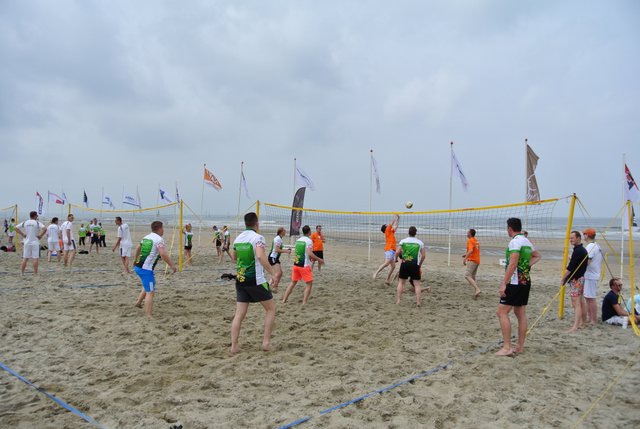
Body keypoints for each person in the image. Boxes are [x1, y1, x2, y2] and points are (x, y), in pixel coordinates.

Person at [230, 212, 276, 355]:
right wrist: (273, 273)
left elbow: (234, 257)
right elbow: (260, 256)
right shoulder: (258, 238)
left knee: (239, 315)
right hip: (256, 280)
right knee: (271, 309)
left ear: (246, 224)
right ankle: (266, 343)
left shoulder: (238, 238)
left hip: (241, 280)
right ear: (257, 224)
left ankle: (234, 346)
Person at [495, 217, 541, 356]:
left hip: (515, 282)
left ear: (509, 228)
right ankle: (520, 346)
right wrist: (525, 267)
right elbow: (537, 256)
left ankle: (507, 347)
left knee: (501, 312)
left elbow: (513, 263)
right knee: (520, 313)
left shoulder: (515, 242)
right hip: (525, 281)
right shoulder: (526, 241)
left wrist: (504, 283)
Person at [133, 221, 177, 318]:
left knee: (150, 284)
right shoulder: (159, 239)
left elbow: (138, 248)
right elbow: (163, 254)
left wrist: (135, 259)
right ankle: (148, 315)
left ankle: (138, 303)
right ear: (160, 228)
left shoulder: (146, 237)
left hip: (138, 267)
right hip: (146, 270)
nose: (163, 230)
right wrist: (172, 266)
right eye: (163, 228)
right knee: (150, 292)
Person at [282, 225, 324, 305]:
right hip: (304, 266)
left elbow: (299, 252)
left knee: (293, 283)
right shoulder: (309, 241)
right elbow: (309, 253)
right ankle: (304, 302)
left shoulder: (298, 240)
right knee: (309, 284)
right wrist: (319, 259)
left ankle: (284, 299)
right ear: (309, 232)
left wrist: (310, 258)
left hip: (296, 264)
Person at [561, 231, 589, 333]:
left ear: (578, 238)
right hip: (580, 278)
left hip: (577, 279)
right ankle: (582, 322)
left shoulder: (579, 250)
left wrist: (563, 278)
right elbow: (576, 264)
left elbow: (570, 268)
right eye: (570, 238)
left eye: (572, 238)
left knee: (576, 303)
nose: (570, 240)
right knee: (580, 301)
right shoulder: (580, 250)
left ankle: (576, 326)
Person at [395, 226, 427, 306]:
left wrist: (396, 259)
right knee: (417, 284)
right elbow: (423, 256)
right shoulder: (420, 242)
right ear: (415, 233)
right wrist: (419, 264)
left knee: (401, 283)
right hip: (414, 265)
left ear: (408, 232)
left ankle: (398, 300)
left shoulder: (403, 241)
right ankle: (418, 302)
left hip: (405, 264)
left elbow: (397, 252)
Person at [582, 228, 603, 326]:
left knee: (591, 298)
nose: (583, 236)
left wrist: (573, 259)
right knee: (588, 297)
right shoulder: (596, 245)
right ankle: (590, 318)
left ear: (587, 235)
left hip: (591, 275)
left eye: (584, 234)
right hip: (592, 274)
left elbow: (587, 261)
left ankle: (593, 319)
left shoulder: (591, 246)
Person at [373, 214, 399, 285]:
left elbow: (396, 226)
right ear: (386, 228)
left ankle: (387, 279)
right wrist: (395, 217)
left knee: (393, 266)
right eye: (386, 225)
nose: (388, 225)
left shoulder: (390, 232)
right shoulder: (387, 231)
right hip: (389, 249)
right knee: (387, 263)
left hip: (392, 250)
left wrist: (398, 219)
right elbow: (392, 223)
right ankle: (376, 273)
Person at [268, 227, 291, 293]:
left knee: (278, 273)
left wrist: (286, 250)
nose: (285, 232)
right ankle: (274, 287)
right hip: (273, 257)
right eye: (284, 231)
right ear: (281, 232)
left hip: (275, 258)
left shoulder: (279, 238)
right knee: (278, 273)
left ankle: (270, 285)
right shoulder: (278, 239)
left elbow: (278, 248)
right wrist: (286, 251)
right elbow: (276, 249)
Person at [462, 228, 482, 298]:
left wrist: (465, 259)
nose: (466, 233)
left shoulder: (470, 240)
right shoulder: (476, 240)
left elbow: (470, 250)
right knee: (473, 276)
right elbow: (475, 250)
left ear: (470, 234)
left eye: (467, 232)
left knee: (467, 275)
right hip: (477, 260)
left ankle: (477, 289)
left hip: (472, 260)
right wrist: (466, 254)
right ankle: (477, 291)